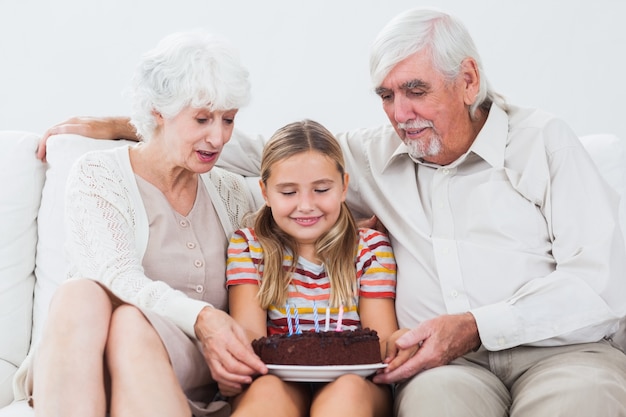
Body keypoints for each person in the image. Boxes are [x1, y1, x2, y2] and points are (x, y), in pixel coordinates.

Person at [36, 7, 626, 416]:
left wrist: (476, 324)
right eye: (386, 96)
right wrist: (134, 127)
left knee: (579, 403)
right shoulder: (374, 151)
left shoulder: (542, 142)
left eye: (416, 91)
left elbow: (601, 280)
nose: (400, 113)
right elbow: (281, 160)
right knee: (437, 403)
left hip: (558, 349)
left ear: (468, 79)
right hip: (450, 368)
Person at [19, 30, 267, 417]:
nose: (218, 137)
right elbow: (114, 275)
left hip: (185, 362)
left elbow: (297, 164)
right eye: (201, 119)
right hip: (86, 357)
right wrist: (201, 316)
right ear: (158, 112)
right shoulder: (99, 174)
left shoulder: (232, 192)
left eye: (229, 120)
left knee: (131, 327)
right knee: (80, 294)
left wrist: (347, 227)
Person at [225, 119, 401, 417]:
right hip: (276, 378)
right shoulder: (249, 247)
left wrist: (401, 345)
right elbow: (251, 341)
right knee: (267, 393)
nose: (306, 205)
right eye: (288, 192)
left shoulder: (369, 248)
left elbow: (380, 340)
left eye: (321, 189)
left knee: (346, 392)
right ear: (265, 192)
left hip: (356, 381)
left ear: (344, 186)